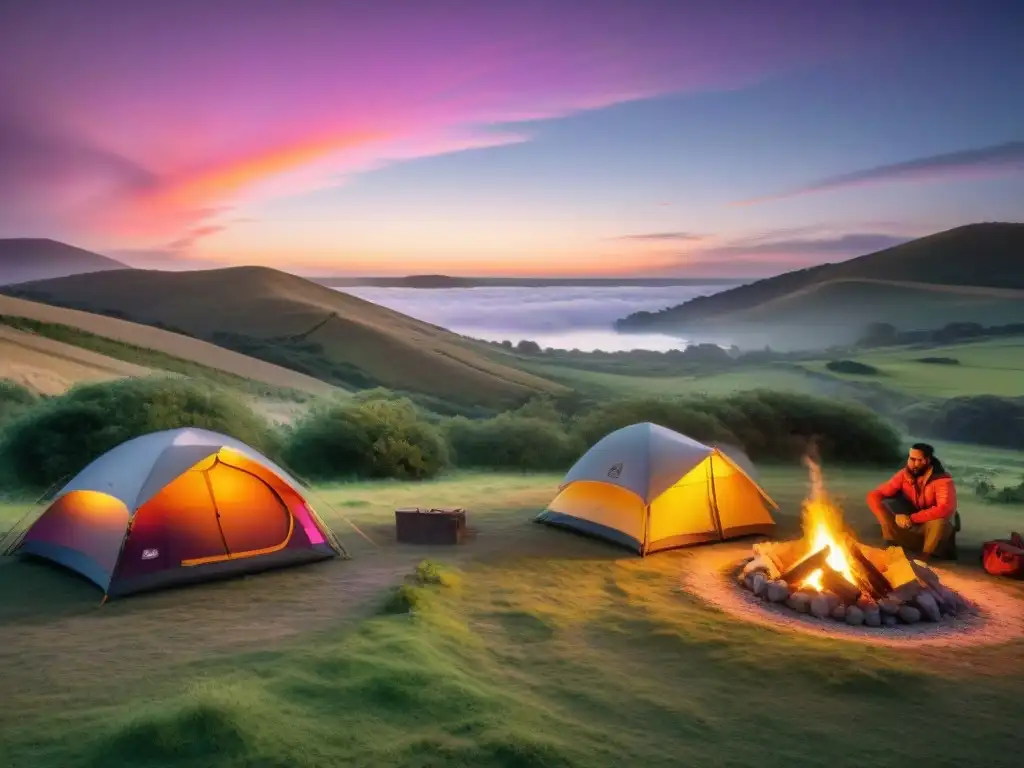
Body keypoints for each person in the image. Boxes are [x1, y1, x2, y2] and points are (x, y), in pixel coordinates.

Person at [866, 443, 959, 562]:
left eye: (918, 460)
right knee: (883, 505)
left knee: (939, 520)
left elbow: (945, 508)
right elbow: (875, 494)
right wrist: (892, 516)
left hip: (933, 534)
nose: (913, 463)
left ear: (927, 460)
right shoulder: (904, 475)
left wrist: (911, 518)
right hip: (910, 527)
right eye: (911, 458)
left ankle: (925, 556)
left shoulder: (943, 481)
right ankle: (891, 544)